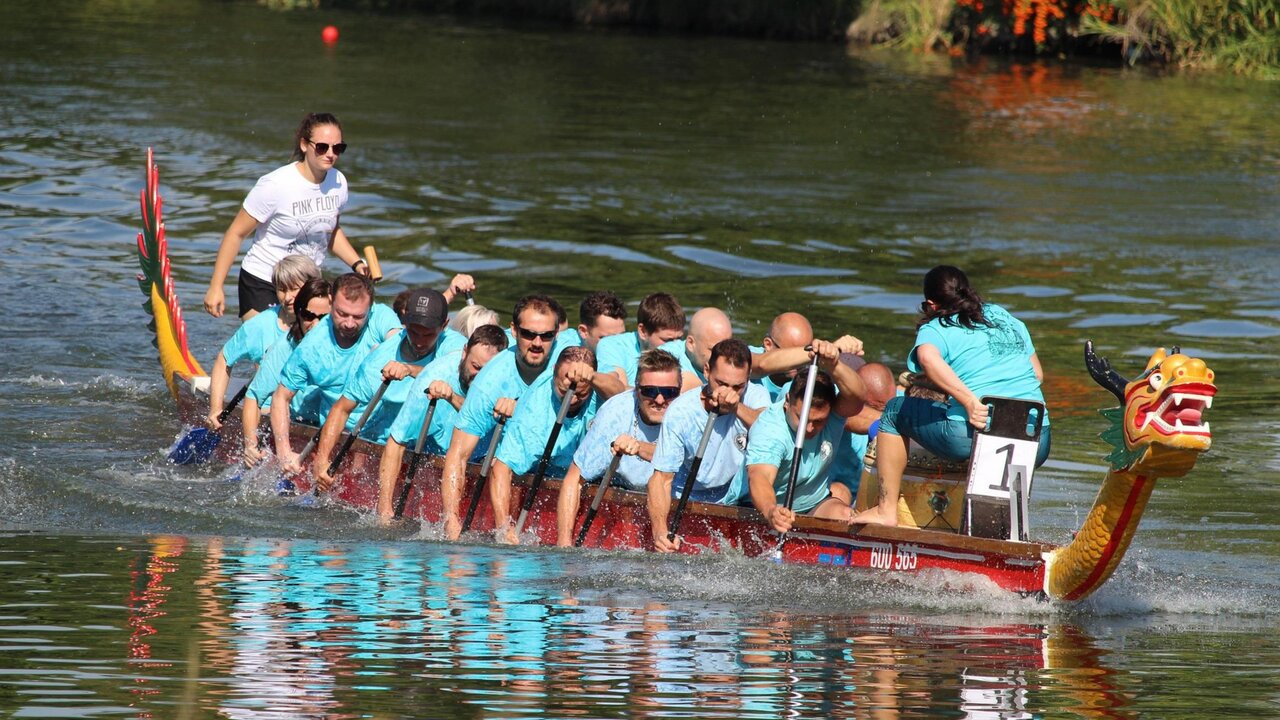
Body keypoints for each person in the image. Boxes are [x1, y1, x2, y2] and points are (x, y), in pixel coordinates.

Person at [850, 265, 1050, 527]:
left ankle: (885, 511)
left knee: (893, 411)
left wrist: (968, 401)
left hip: (967, 436)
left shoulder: (936, 327)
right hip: (1038, 438)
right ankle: (1006, 527)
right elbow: (1037, 375)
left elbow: (927, 358)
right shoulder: (1004, 316)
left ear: (931, 305)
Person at [204, 112, 367, 320]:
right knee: (267, 340)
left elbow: (331, 230)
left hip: (306, 285)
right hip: (264, 281)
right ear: (304, 145)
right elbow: (236, 233)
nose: (330, 154)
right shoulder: (275, 185)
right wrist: (216, 287)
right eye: (322, 147)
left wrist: (357, 264)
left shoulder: (338, 183)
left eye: (338, 148)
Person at [439, 295, 564, 539]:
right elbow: (458, 455)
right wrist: (452, 521)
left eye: (546, 336)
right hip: (508, 463)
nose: (537, 343)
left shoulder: (568, 359)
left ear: (557, 334)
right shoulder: (491, 380)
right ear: (514, 331)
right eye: (528, 334)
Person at [312, 288, 451, 492]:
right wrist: (322, 460)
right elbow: (342, 409)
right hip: (393, 440)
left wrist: (410, 370)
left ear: (445, 325)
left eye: (429, 334)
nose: (420, 341)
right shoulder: (378, 361)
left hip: (442, 439)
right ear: (404, 323)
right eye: (414, 332)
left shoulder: (456, 345)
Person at [376, 324, 509, 522]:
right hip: (439, 457)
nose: (480, 377)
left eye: (487, 371)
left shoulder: (508, 377)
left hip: (483, 460)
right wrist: (385, 507)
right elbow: (397, 442)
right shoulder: (433, 377)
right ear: (464, 352)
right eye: (475, 367)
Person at [647, 339, 771, 552]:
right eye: (721, 383)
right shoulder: (681, 412)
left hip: (738, 495)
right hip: (689, 494)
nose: (727, 393)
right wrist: (659, 531)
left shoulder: (756, 395)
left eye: (738, 387)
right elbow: (661, 479)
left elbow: (769, 431)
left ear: (748, 379)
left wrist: (736, 408)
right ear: (706, 371)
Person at [270, 273, 399, 473]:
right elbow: (281, 397)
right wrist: (284, 452)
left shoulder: (381, 316)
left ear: (370, 308)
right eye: (342, 314)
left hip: (383, 431)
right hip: (336, 431)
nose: (349, 323)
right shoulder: (312, 346)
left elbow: (401, 341)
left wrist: (387, 353)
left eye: (358, 316)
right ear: (330, 302)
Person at [556, 349, 682, 547]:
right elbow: (574, 479)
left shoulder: (688, 413)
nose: (659, 400)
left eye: (669, 393)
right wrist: (564, 544)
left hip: (675, 495)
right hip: (623, 486)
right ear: (637, 389)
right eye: (650, 391)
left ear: (679, 391)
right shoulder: (615, 412)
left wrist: (640, 447)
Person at [744, 340, 869, 533]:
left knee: (846, 515)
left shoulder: (834, 414)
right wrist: (771, 510)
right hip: (757, 507)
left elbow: (857, 397)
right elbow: (759, 477)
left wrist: (834, 364)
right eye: (801, 418)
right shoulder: (770, 429)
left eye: (818, 421)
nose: (809, 428)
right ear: (787, 401)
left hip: (815, 504)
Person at [488, 346, 599, 544]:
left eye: (580, 394)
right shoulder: (533, 414)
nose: (571, 398)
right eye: (564, 391)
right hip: (541, 466)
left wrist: (595, 378)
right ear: (554, 371)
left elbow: (619, 389)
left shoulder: (599, 384)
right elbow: (501, 469)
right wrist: (503, 527)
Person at [205, 255, 321, 430]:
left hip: (316, 412)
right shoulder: (260, 325)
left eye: (294, 289)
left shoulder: (328, 321)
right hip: (269, 412)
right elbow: (225, 359)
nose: (288, 297)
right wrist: (215, 408)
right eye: (282, 289)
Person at [240, 276, 331, 467]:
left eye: (324, 318)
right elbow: (254, 397)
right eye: (309, 316)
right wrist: (251, 446)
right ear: (299, 314)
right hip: (299, 422)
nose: (316, 324)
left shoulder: (346, 346)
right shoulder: (285, 347)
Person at [594, 292, 686, 397]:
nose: (675, 346)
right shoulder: (612, 346)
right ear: (643, 331)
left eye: (679, 338)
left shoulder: (684, 348)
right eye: (668, 340)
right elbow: (618, 393)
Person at [657, 307, 734, 392]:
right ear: (691, 343)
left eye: (728, 348)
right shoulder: (666, 355)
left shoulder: (734, 355)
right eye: (714, 350)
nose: (724, 357)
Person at [750, 312, 815, 402]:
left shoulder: (813, 379)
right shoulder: (748, 355)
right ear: (768, 345)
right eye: (791, 355)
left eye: (804, 359)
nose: (798, 364)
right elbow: (759, 365)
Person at [557, 290, 627, 351]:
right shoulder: (563, 351)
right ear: (583, 331)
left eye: (621, 337)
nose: (617, 347)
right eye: (607, 339)